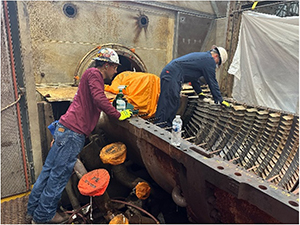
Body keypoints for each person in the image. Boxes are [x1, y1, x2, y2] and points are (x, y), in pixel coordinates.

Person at [27, 48, 132, 224]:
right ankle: (43, 216)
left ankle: (33, 209)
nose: (116, 71)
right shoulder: (94, 74)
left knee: (48, 172)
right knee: (59, 176)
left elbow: (96, 98)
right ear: (106, 65)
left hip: (65, 130)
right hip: (72, 133)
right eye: (115, 67)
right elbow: (99, 99)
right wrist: (118, 114)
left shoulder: (90, 76)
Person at [155, 45, 230, 128]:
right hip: (172, 74)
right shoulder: (209, 60)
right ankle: (162, 126)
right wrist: (219, 99)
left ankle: (163, 125)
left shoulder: (203, 58)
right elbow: (212, 81)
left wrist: (199, 92)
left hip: (171, 73)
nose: (215, 65)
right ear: (216, 56)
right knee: (170, 101)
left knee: (170, 101)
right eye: (217, 63)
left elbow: (193, 78)